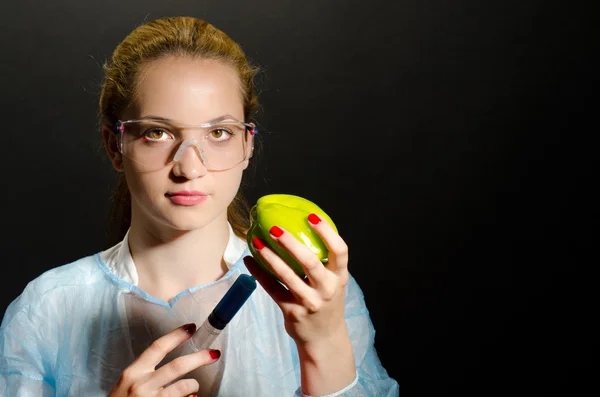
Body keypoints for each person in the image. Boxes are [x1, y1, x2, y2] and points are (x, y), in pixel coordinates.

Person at [0, 16, 399, 397]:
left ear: (248, 145)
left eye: (220, 132)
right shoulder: (48, 309)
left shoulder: (314, 294)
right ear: (115, 145)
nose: (190, 167)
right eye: (157, 132)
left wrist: (324, 345)